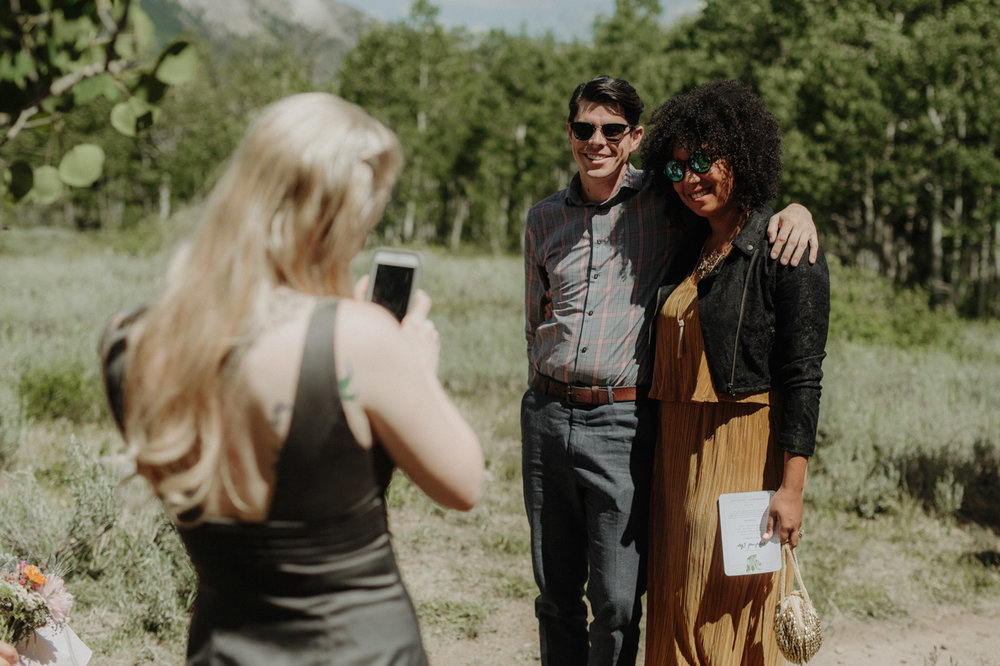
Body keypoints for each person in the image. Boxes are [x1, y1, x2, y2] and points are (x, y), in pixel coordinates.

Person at [98, 93, 483, 665]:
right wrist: (413, 366)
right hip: (360, 650)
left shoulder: (128, 340)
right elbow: (462, 485)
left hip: (223, 645)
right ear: (335, 218)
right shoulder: (362, 338)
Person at [521, 75, 819, 666]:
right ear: (570, 133)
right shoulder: (545, 219)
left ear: (634, 138)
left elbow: (741, 216)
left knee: (620, 603)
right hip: (556, 418)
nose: (596, 141)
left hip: (630, 424)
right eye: (585, 128)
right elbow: (537, 315)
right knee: (561, 597)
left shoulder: (664, 201)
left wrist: (800, 208)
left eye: (611, 130)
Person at [638, 79, 830, 665]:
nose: (690, 179)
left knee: (732, 604)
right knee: (676, 598)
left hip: (743, 451)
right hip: (676, 456)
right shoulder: (686, 247)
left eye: (702, 160)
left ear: (739, 157)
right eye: (677, 168)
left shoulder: (782, 248)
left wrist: (791, 490)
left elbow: (802, 376)